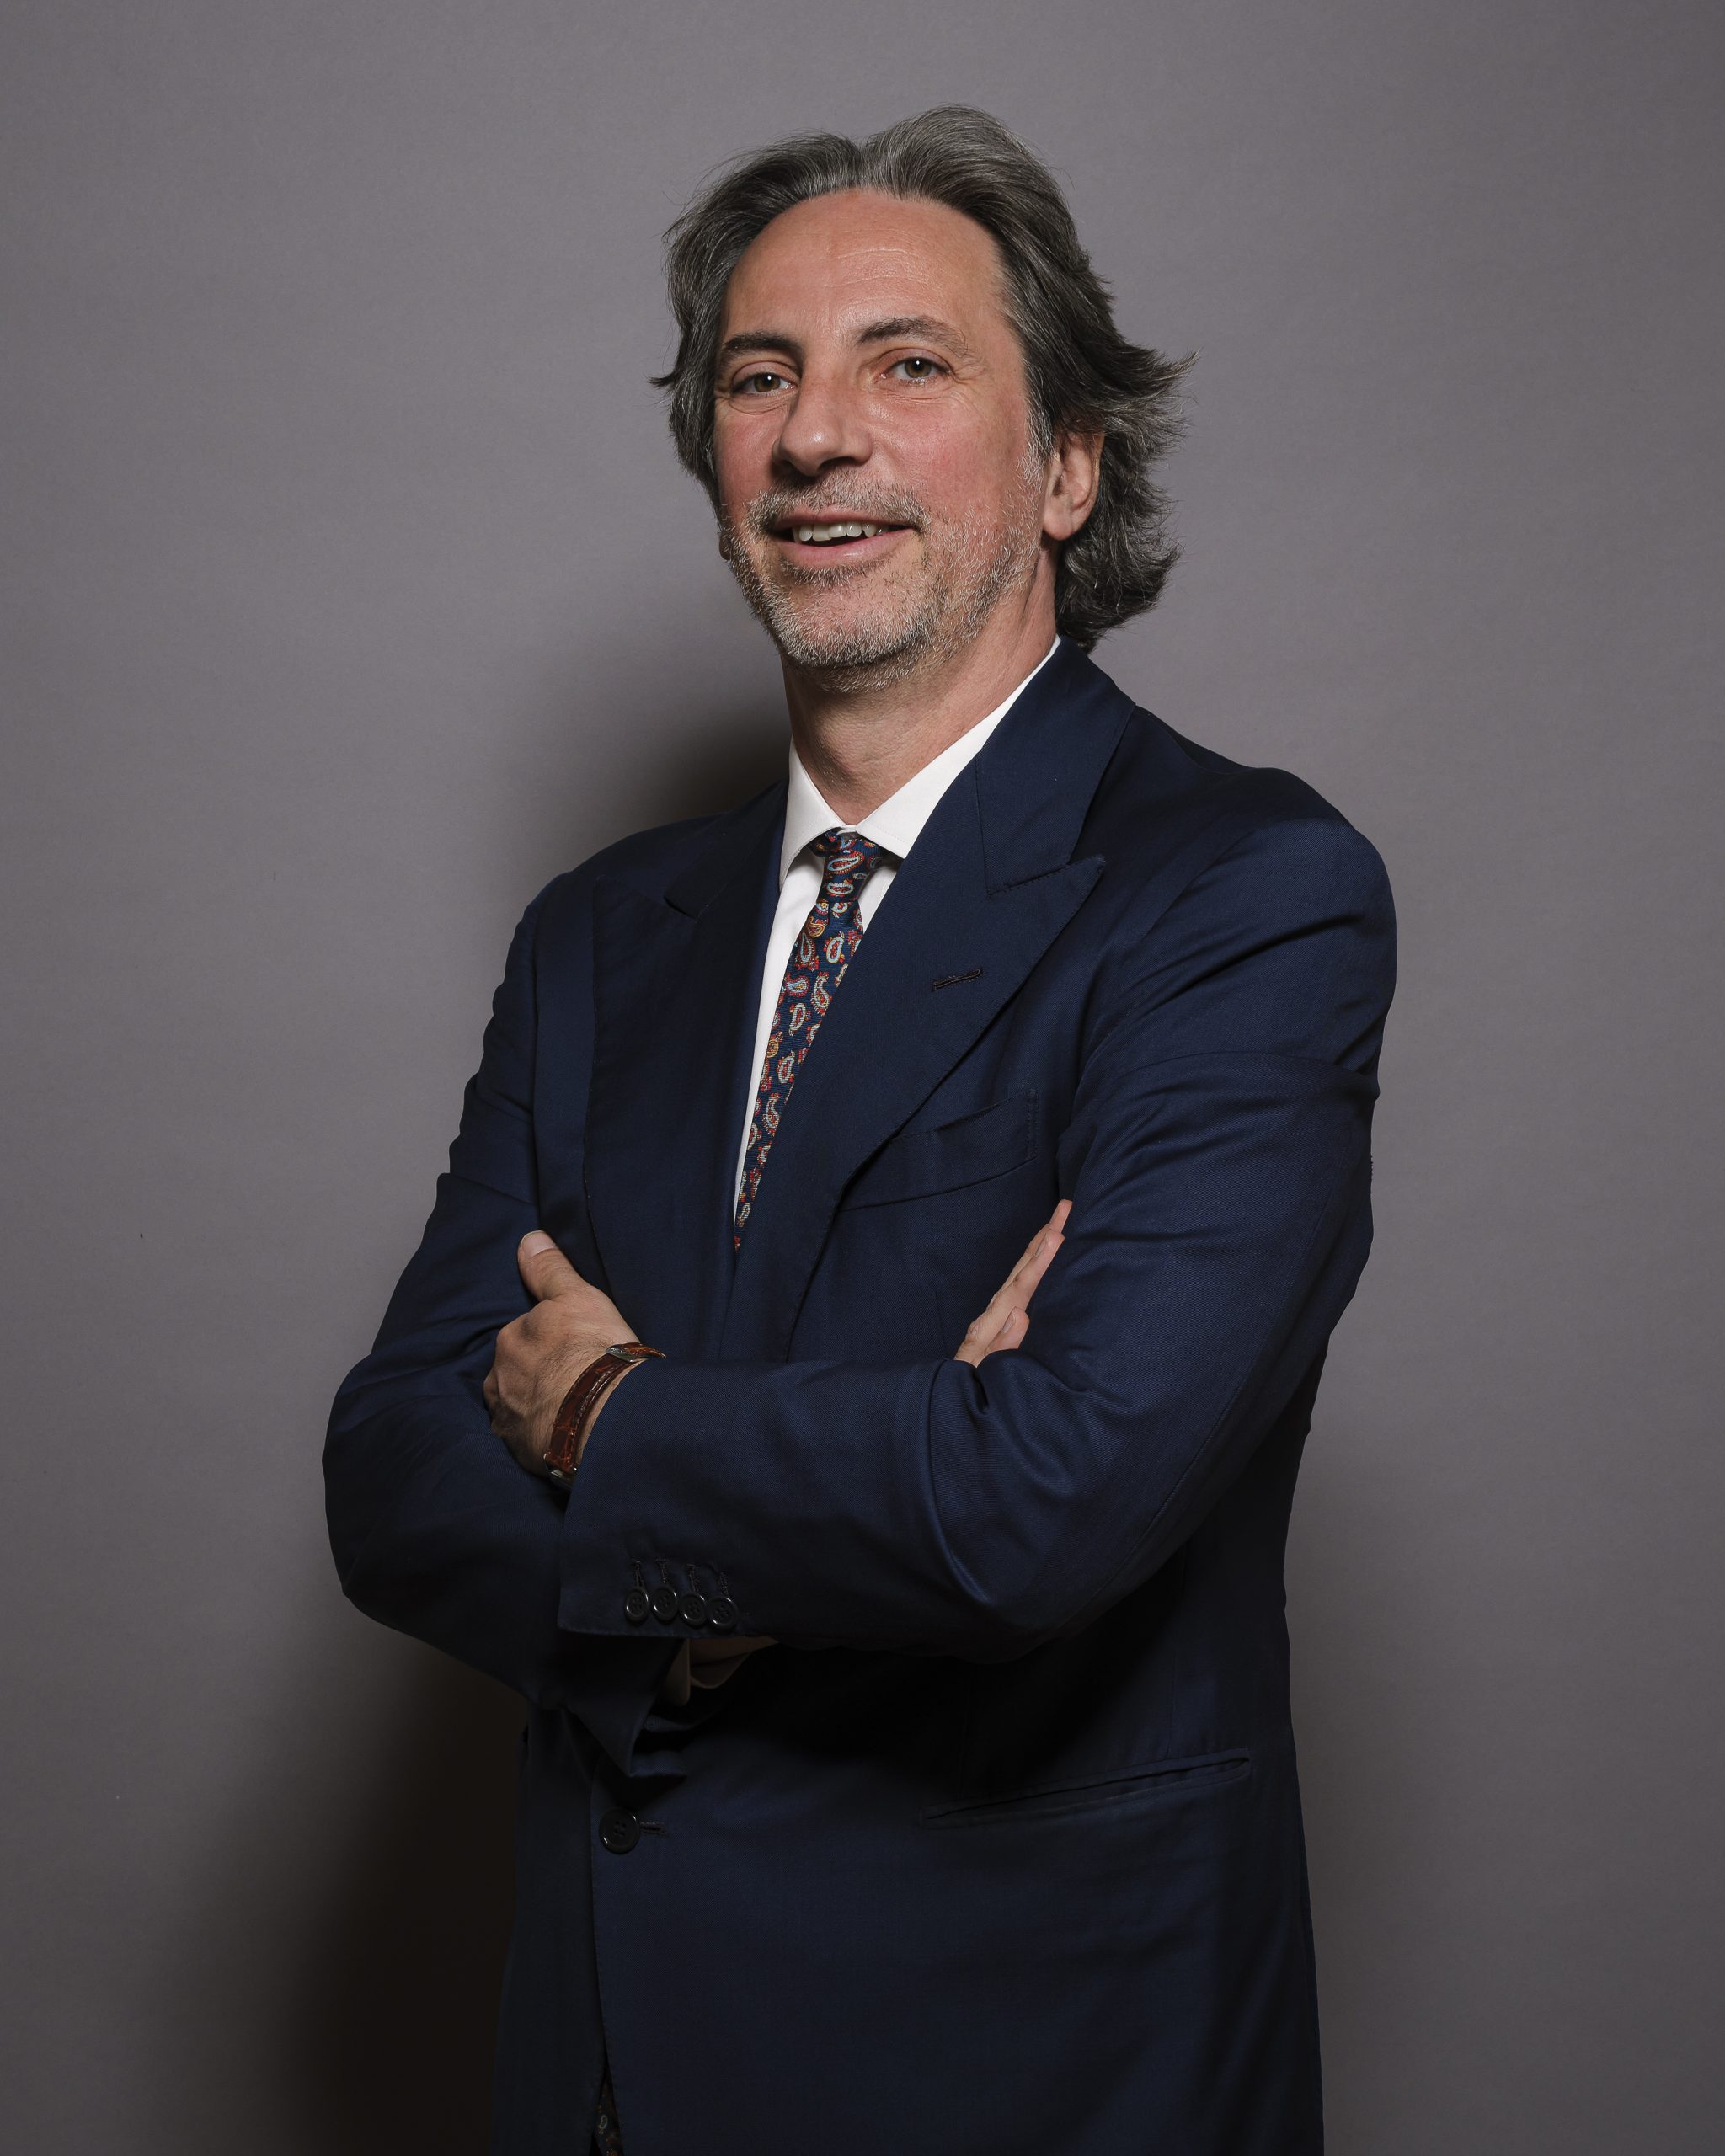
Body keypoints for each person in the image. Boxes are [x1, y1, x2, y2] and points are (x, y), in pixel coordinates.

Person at [323, 105, 1395, 2156]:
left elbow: (1047, 1491)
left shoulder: (1241, 894)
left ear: (1067, 461)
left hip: (1028, 2066)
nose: (819, 435)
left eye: (908, 365)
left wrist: (608, 1415)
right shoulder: (598, 935)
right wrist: (716, 1593)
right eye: (760, 377)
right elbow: (393, 1469)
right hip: (611, 2063)